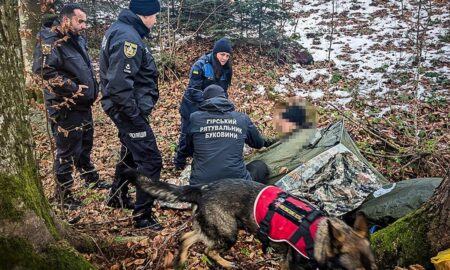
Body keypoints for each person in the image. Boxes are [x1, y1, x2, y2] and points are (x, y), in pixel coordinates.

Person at [32, 3, 109, 209]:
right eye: (80, 21)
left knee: (85, 144)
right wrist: (73, 88)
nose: (84, 25)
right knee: (66, 151)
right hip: (65, 107)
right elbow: (44, 71)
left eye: (85, 21)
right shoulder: (50, 40)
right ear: (66, 20)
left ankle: (90, 179)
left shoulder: (77, 39)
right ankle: (64, 196)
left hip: (83, 104)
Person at [99, 0, 163, 229]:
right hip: (126, 110)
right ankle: (142, 217)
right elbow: (118, 85)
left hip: (126, 108)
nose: (155, 21)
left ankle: (116, 196)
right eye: (154, 15)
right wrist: (133, 115)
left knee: (130, 151)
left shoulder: (123, 30)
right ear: (143, 14)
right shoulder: (128, 38)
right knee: (151, 160)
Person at [185, 85, 273, 185]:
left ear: (205, 100)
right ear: (224, 98)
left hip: (200, 186)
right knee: (260, 166)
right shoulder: (241, 118)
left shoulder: (195, 118)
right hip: (236, 185)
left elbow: (188, 148)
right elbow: (258, 143)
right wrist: (269, 142)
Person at [173, 38, 233, 170]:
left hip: (212, 106)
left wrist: (224, 105)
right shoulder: (200, 65)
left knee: (206, 134)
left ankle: (201, 159)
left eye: (227, 55)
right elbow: (194, 90)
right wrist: (211, 103)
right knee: (187, 133)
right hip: (192, 105)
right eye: (222, 54)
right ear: (215, 52)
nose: (224, 58)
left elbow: (224, 91)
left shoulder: (227, 69)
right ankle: (179, 162)